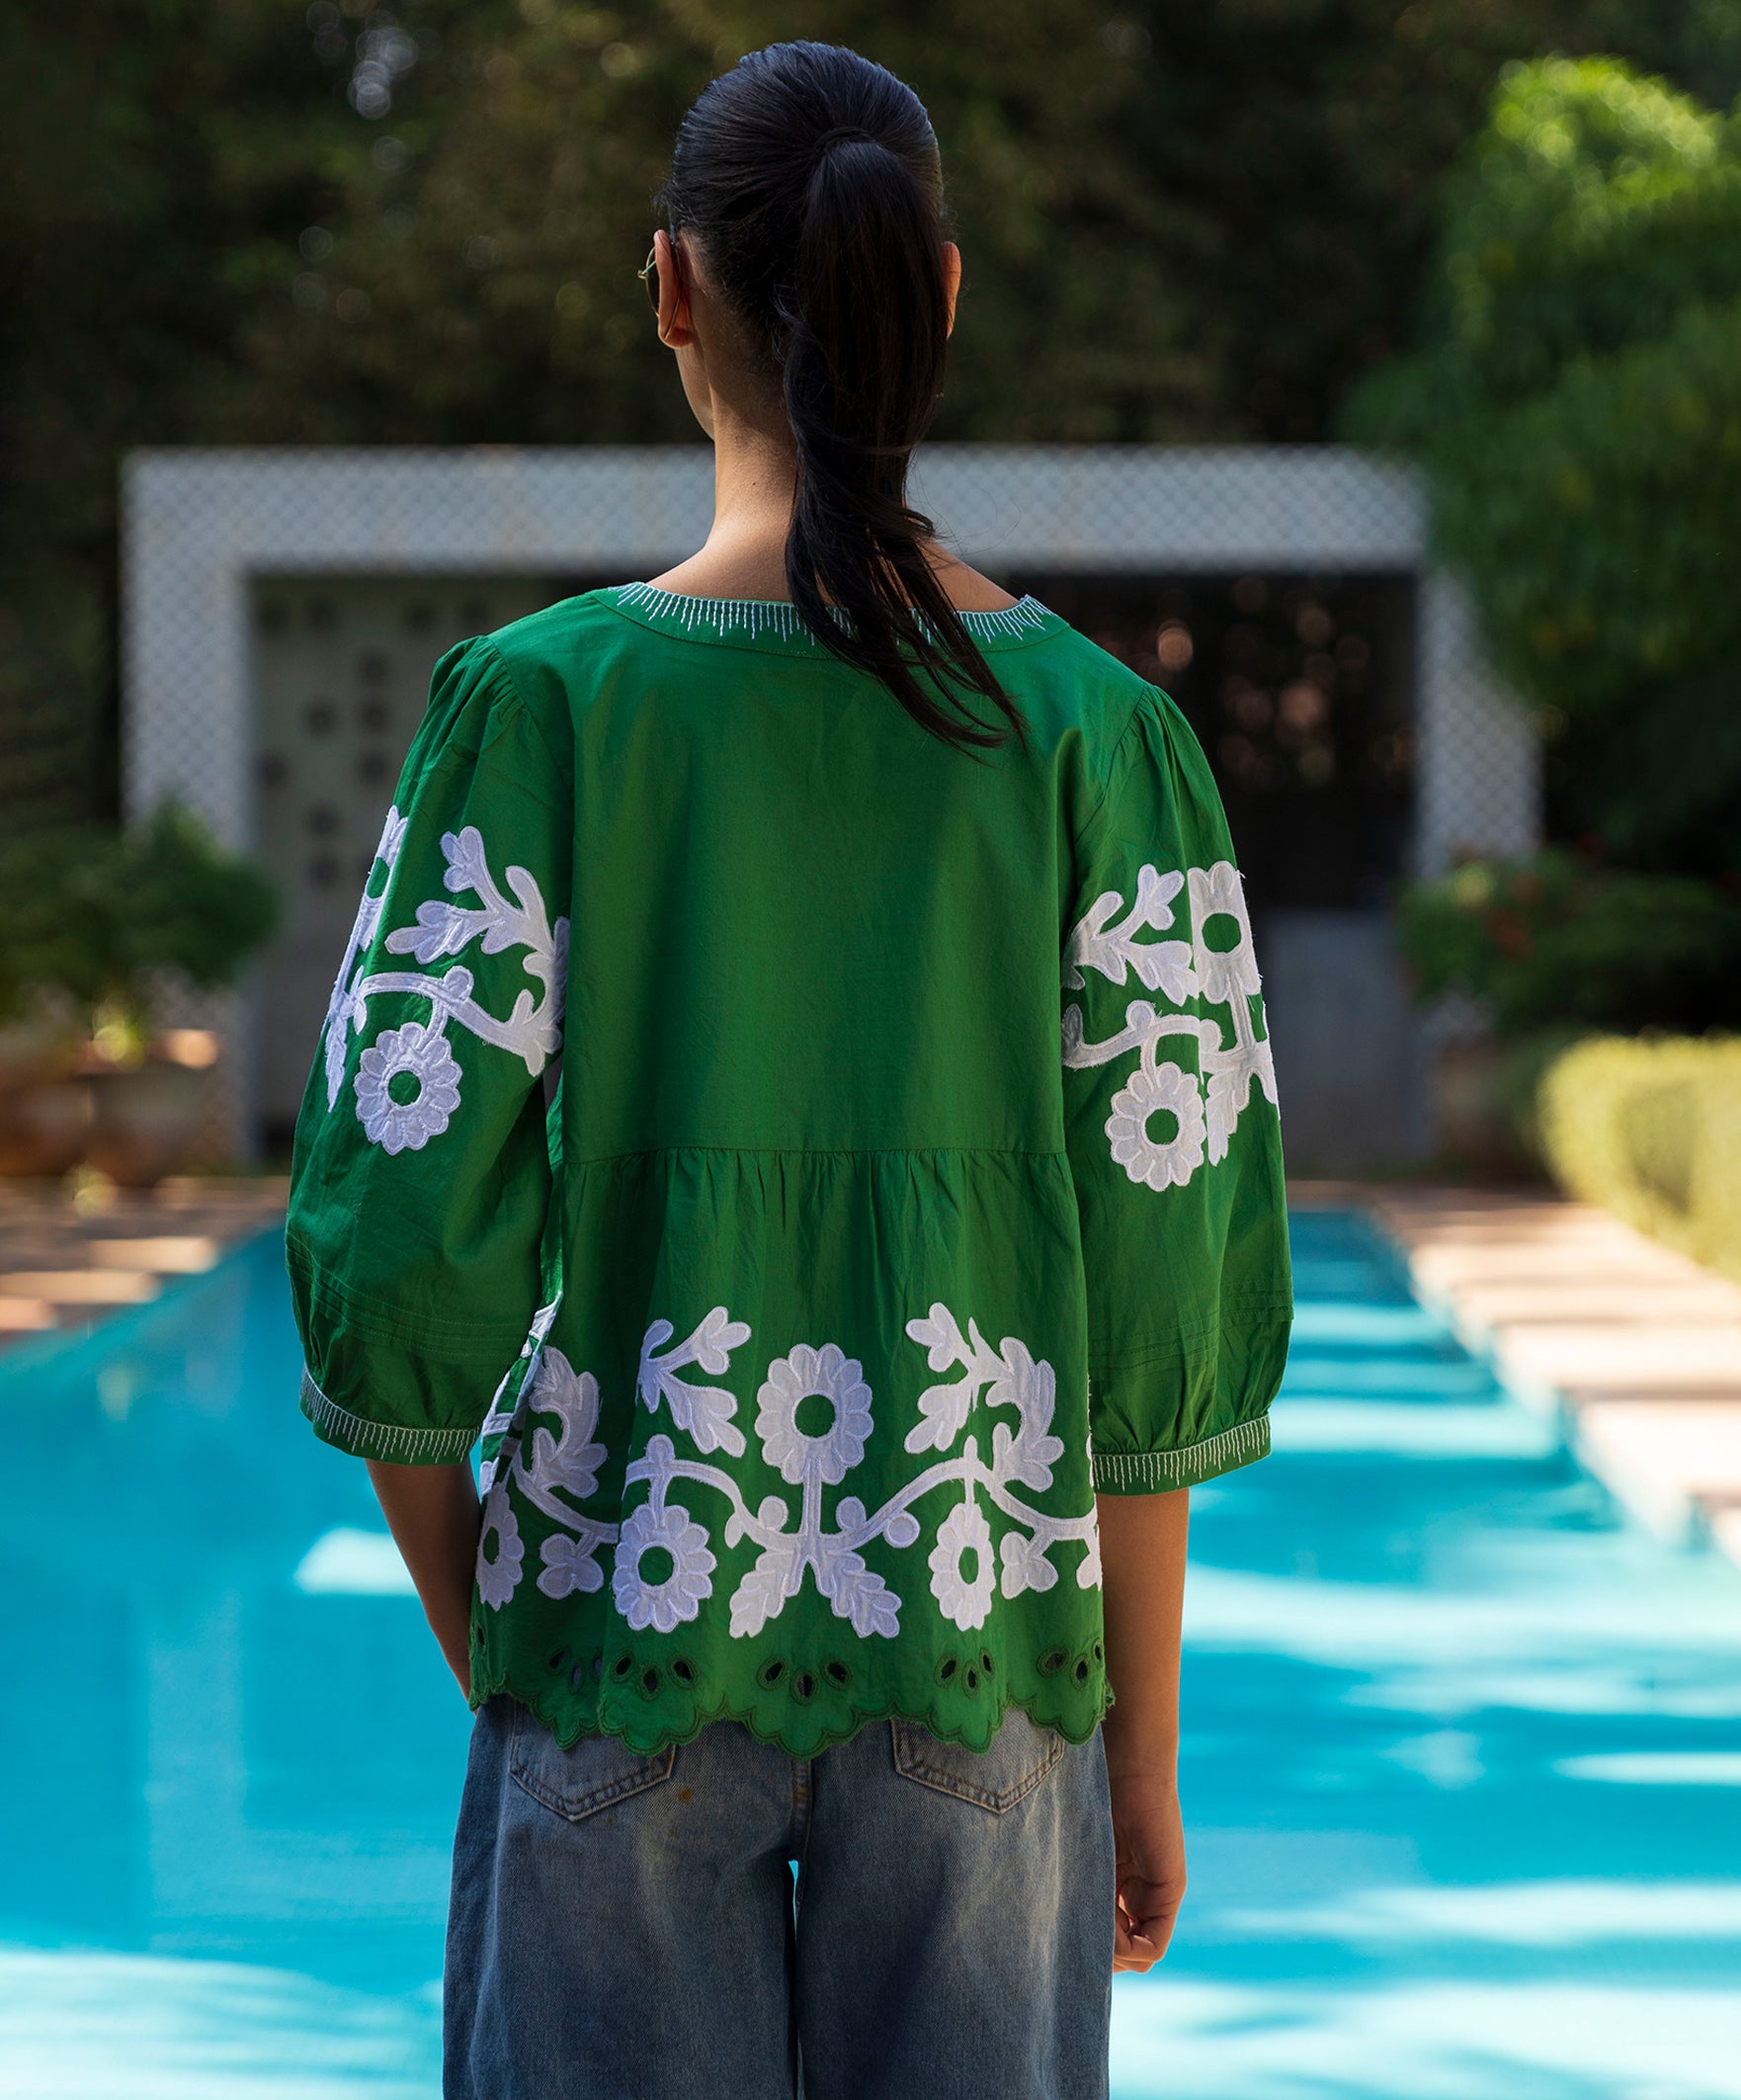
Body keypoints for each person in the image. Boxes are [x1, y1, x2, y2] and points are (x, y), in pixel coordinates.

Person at [285, 39, 1290, 2100]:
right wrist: (1140, 1754)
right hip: (989, 1656)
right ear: (934, 292)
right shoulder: (1107, 746)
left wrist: (503, 1644)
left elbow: (396, 1231)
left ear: (667, 289)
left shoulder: (534, 714)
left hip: (614, 1632)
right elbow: (1161, 1287)